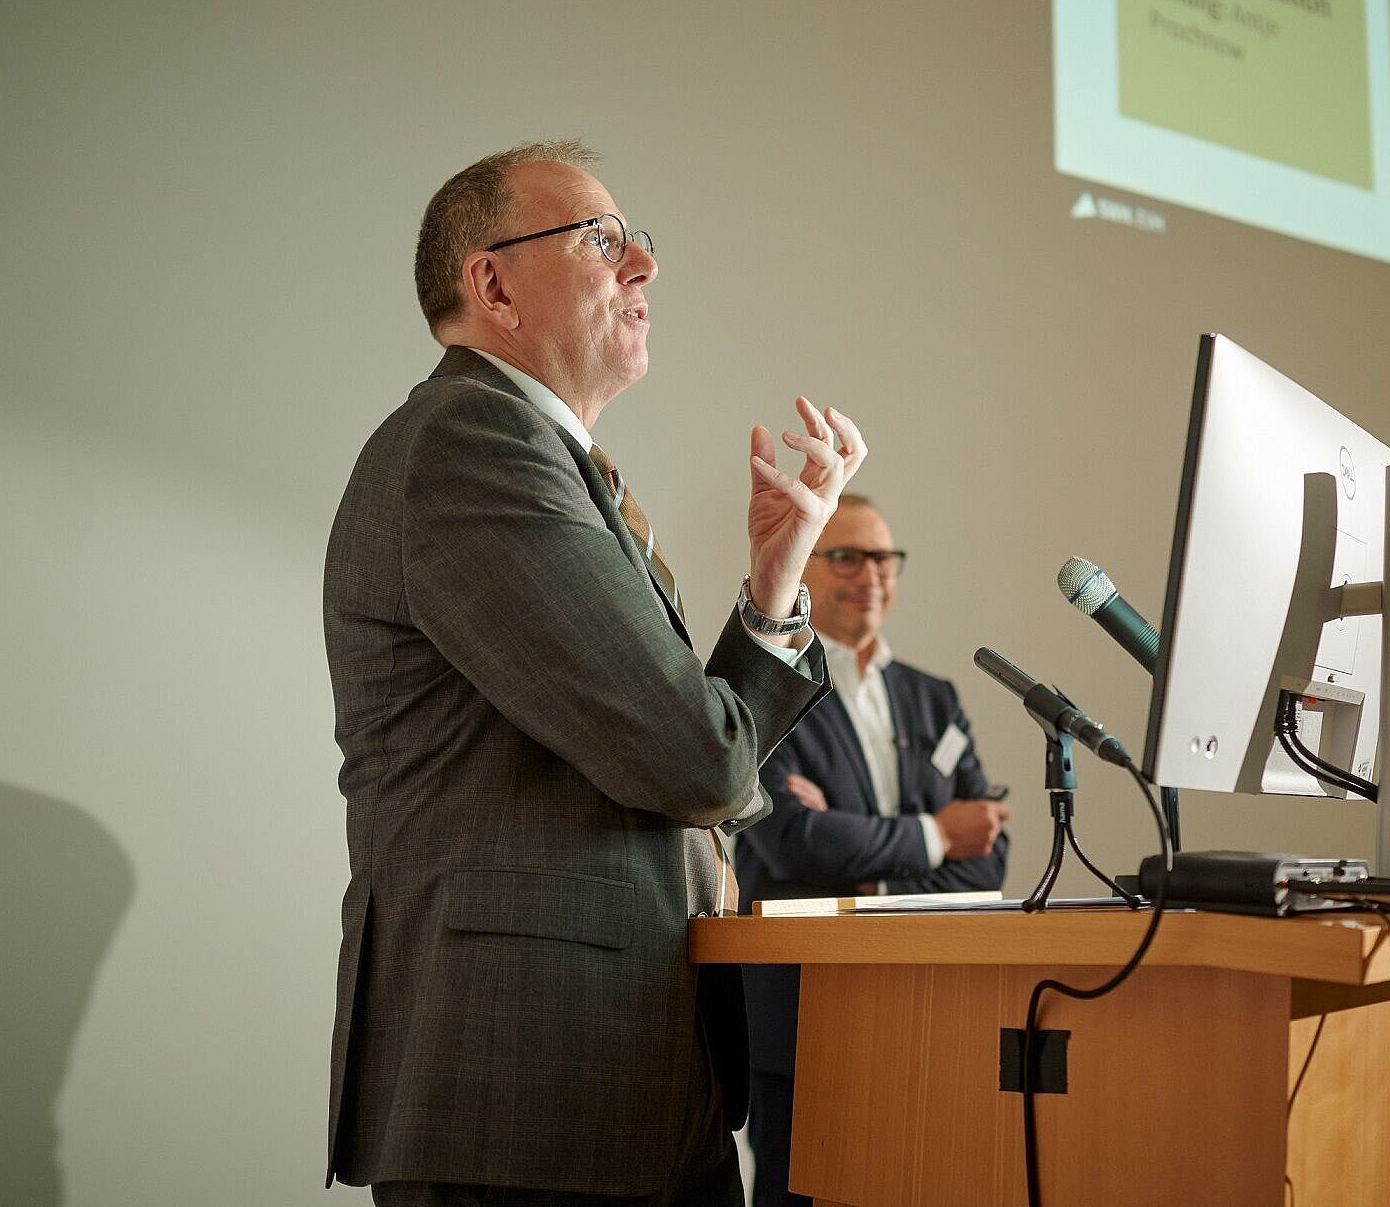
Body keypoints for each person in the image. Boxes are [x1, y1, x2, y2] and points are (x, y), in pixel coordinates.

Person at [322, 139, 867, 1206]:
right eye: (601, 239)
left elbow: (671, 751)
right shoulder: (472, 441)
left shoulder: (538, 459)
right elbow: (693, 761)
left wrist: (770, 584)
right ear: (492, 283)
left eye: (638, 242)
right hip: (528, 1091)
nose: (644, 268)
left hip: (611, 1082)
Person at [733, 494, 1010, 1207]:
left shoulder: (934, 698)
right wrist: (934, 832)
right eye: (846, 556)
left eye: (883, 557)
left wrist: (857, 840)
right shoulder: (766, 692)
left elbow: (988, 856)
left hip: (925, 1003)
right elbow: (792, 841)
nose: (871, 574)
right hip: (804, 1011)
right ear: (804, 568)